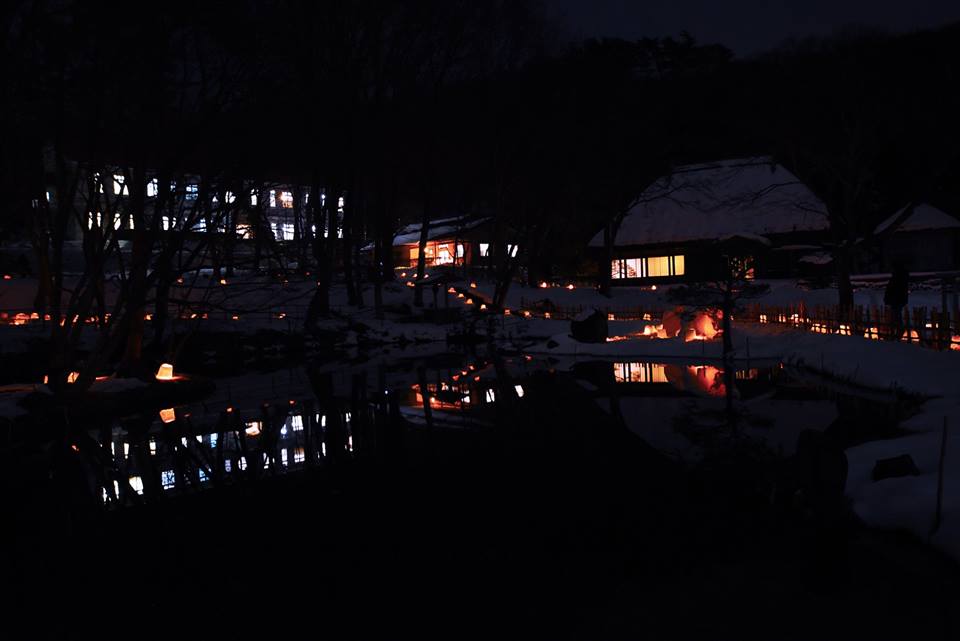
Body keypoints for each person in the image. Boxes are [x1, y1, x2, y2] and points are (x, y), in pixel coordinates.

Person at [884, 262, 909, 340]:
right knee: (895, 316)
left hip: (897, 300)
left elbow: (894, 289)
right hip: (897, 300)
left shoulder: (898, 278)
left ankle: (897, 333)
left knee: (896, 316)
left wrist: (890, 298)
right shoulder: (898, 277)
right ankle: (896, 333)